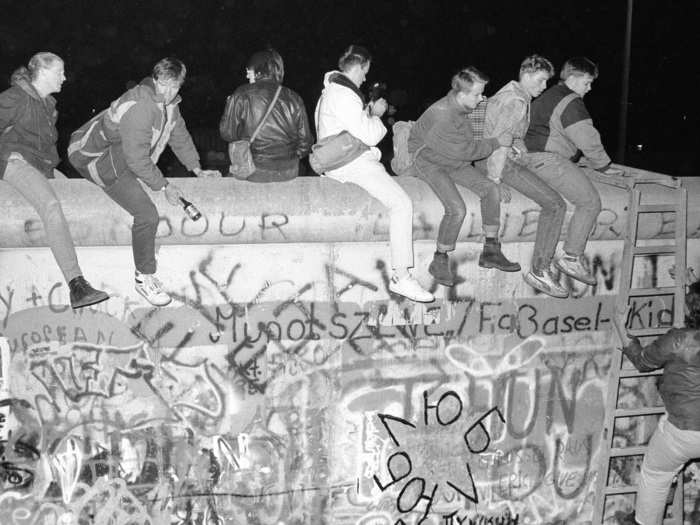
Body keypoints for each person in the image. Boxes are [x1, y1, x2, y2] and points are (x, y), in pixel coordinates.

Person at [68, 57, 220, 307]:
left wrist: (197, 169)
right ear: (155, 78)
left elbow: (179, 135)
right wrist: (164, 186)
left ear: (181, 84)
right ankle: (144, 277)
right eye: (164, 85)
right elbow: (137, 160)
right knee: (147, 214)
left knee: (141, 171)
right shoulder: (141, 105)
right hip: (95, 158)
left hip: (121, 155)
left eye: (175, 87)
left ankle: (144, 275)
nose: (168, 92)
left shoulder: (170, 104)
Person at [315, 45, 433, 302]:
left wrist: (366, 111)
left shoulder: (332, 91)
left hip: (338, 163)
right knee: (401, 204)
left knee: (398, 202)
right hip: (352, 164)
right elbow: (369, 135)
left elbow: (352, 125)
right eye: (365, 72)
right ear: (358, 67)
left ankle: (402, 276)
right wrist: (377, 115)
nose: (365, 78)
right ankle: (402, 276)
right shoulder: (344, 94)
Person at [0, 52, 108, 309]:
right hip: (15, 163)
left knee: (81, 192)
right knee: (50, 206)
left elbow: (45, 150)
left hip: (40, 166)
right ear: (44, 72)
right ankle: (77, 285)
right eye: (60, 72)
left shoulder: (48, 105)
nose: (65, 77)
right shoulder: (13, 98)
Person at [408, 67, 520, 287]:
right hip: (429, 161)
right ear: (461, 94)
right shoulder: (442, 116)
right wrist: (499, 142)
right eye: (477, 94)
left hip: (453, 159)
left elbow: (465, 148)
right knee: (456, 208)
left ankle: (491, 250)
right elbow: (467, 152)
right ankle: (439, 259)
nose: (482, 99)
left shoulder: (461, 106)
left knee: (490, 190)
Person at [524, 57, 623, 287]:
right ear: (573, 78)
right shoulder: (571, 101)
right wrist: (604, 166)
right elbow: (586, 137)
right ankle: (571, 257)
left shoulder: (548, 96)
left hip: (530, 159)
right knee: (590, 202)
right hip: (548, 160)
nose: (589, 89)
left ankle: (548, 265)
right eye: (587, 83)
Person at [481, 55, 569, 299]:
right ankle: (540, 270)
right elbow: (500, 144)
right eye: (541, 81)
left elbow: (511, 135)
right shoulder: (516, 101)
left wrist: (523, 152)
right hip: (498, 162)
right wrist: (494, 182)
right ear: (526, 74)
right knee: (555, 204)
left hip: (492, 157)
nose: (544, 87)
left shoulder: (512, 92)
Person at [614, 281, 700, 525]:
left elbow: (642, 362)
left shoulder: (678, 340)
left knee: (656, 474)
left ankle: (643, 521)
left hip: (683, 433)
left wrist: (621, 328)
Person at [219, 48, 312, 182]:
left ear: (259, 71)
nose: (247, 76)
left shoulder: (241, 94)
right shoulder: (293, 97)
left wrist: (229, 108)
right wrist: (288, 157)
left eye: (248, 72)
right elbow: (305, 142)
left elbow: (228, 134)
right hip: (288, 171)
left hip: (253, 169)